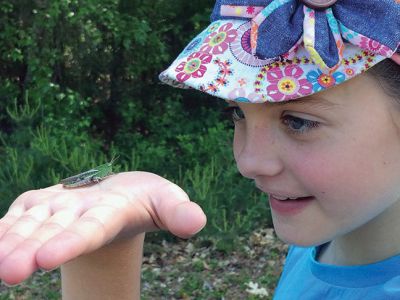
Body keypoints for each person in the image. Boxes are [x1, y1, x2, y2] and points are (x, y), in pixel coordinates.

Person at [1, 0, 399, 299]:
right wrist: (106, 248)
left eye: (298, 121)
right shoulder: (317, 248)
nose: (247, 162)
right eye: (237, 115)